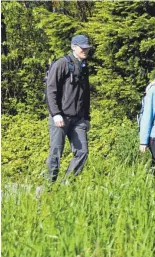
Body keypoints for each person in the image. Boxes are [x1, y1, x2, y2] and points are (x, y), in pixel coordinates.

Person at [45, 35, 92, 183]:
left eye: (87, 48)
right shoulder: (61, 64)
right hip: (61, 117)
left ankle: (67, 185)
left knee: (82, 152)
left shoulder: (84, 67)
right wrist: (56, 114)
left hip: (78, 119)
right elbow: (50, 90)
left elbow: (85, 95)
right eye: (82, 47)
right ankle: (49, 187)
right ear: (73, 47)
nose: (85, 50)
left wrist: (87, 117)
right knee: (55, 153)